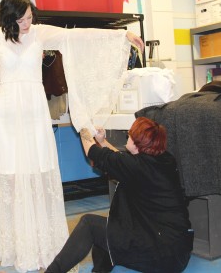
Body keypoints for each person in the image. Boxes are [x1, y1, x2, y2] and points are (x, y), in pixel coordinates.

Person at [0, 0, 144, 273]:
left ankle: (43, 248)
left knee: (37, 174)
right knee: (11, 180)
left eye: (30, 17)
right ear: (9, 19)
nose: (27, 22)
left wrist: (122, 36)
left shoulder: (39, 33)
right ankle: (18, 247)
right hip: (7, 116)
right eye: (22, 19)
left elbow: (76, 37)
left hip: (35, 115)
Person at [45, 117, 193, 273]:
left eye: (130, 135)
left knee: (89, 225)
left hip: (159, 254)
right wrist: (102, 141)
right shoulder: (164, 159)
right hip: (177, 250)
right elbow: (122, 161)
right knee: (109, 229)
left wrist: (82, 124)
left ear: (137, 144)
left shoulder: (136, 167)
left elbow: (92, 152)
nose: (127, 136)